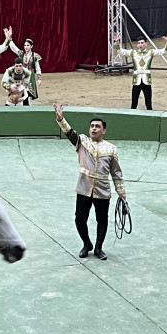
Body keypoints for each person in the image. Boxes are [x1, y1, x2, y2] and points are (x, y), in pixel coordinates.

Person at [54, 104, 126, 260]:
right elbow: (69, 132)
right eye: (92, 126)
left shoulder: (111, 149)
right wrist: (60, 119)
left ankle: (99, 248)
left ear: (103, 130)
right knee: (80, 219)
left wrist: (121, 192)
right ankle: (87, 244)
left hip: (102, 190)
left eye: (97, 126)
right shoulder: (82, 142)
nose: (94, 129)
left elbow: (116, 172)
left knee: (102, 220)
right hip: (84, 187)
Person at [115, 32, 167, 110]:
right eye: (139, 43)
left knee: (148, 104)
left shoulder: (150, 52)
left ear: (146, 44)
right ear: (137, 45)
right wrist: (117, 42)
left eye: (142, 43)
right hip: (136, 81)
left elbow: (163, 51)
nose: (140, 45)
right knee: (134, 104)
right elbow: (121, 51)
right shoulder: (133, 53)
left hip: (146, 81)